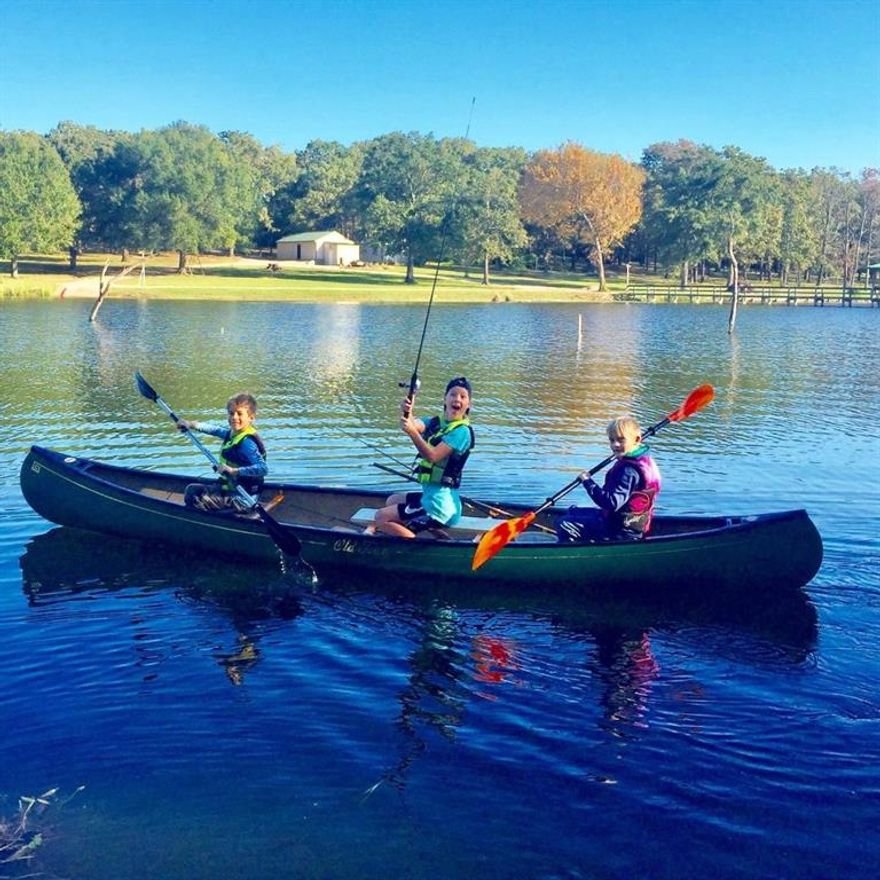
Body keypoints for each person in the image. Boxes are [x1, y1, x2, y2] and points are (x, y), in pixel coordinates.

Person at [371, 377, 475, 538]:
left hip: (440, 507)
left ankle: (414, 544)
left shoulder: (462, 432)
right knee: (392, 500)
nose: (457, 399)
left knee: (380, 517)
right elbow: (415, 424)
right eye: (453, 394)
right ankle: (439, 537)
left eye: (463, 396)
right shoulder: (435, 422)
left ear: (469, 404)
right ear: (445, 398)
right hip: (431, 497)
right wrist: (408, 410)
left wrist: (412, 433)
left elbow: (432, 456)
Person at [555, 416, 661, 543]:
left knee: (563, 523)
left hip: (620, 531)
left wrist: (588, 482)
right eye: (612, 440)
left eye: (621, 440)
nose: (615, 445)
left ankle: (575, 555)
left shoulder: (627, 470)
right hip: (634, 524)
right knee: (572, 511)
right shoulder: (645, 459)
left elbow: (610, 503)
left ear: (637, 440)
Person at [177, 392, 268, 515]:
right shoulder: (233, 434)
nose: (234, 417)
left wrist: (234, 471)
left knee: (194, 496)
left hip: (243, 499)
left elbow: (263, 469)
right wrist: (191, 424)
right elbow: (214, 430)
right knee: (192, 489)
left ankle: (207, 522)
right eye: (231, 413)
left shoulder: (247, 443)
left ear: (251, 417)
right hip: (233, 490)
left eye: (239, 413)